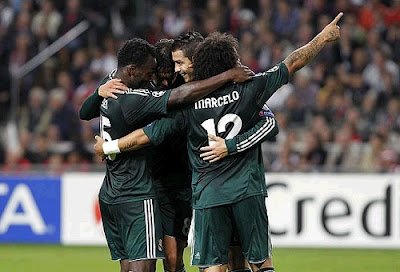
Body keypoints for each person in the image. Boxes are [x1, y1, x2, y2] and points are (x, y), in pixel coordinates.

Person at [94, 13, 343, 272]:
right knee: (259, 262)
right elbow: (293, 62)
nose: (177, 70)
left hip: (208, 194)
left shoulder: (188, 104)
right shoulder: (250, 88)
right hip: (247, 189)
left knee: (213, 267)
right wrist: (323, 38)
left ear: (199, 62)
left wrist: (109, 147)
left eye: (180, 64)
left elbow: (148, 133)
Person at [85, 36, 276, 272]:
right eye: (160, 74)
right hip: (156, 182)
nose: (165, 79)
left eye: (172, 72)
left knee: (228, 252)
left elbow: (266, 117)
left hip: (189, 180)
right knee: (171, 259)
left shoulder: (196, 86)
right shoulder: (142, 88)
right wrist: (99, 93)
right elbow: (93, 113)